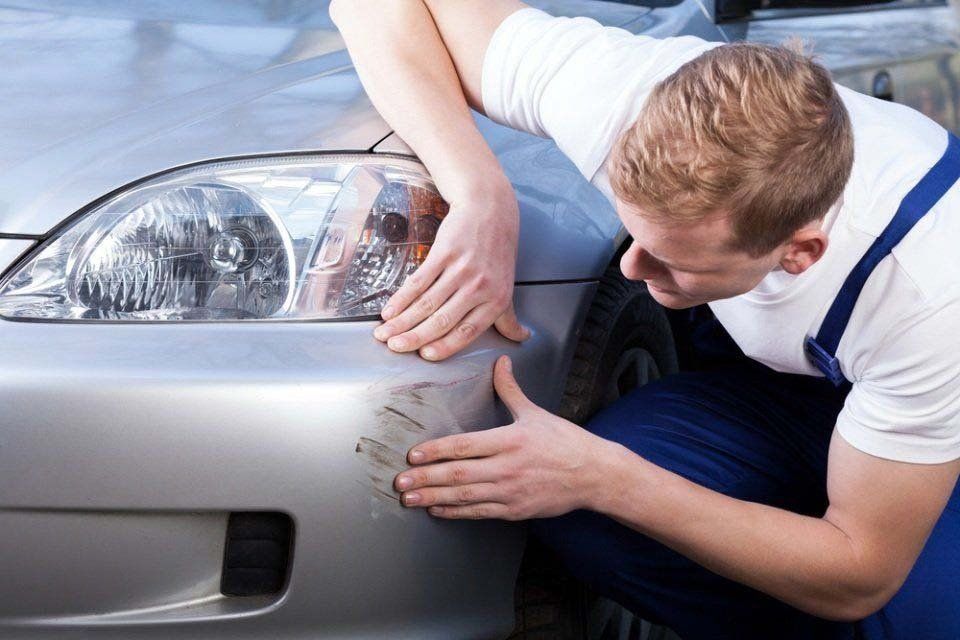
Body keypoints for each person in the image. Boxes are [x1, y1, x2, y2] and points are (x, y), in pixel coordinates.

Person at [330, 1, 960, 637]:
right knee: (587, 517)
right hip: (792, 386)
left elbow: (861, 572)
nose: (633, 268)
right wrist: (479, 193)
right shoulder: (620, 93)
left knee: (896, 619)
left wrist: (605, 476)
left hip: (933, 428)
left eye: (675, 258)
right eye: (636, 232)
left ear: (800, 253)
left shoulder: (930, 295)